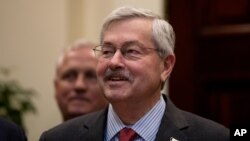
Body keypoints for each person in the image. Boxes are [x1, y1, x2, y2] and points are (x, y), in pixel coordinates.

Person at [40, 6, 229, 141]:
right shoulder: (58, 137)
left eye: (131, 51)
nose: (114, 62)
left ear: (165, 66)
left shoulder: (214, 137)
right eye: (107, 51)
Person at [54, 39, 108, 121]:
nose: (79, 85)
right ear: (56, 86)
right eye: (69, 76)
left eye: (91, 77)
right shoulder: (48, 134)